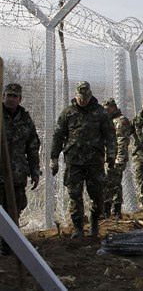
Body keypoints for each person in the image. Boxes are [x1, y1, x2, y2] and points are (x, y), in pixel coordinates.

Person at [50, 81, 115, 238]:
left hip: (95, 161)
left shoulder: (100, 113)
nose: (82, 100)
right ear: (76, 96)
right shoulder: (68, 112)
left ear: (90, 96)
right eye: (80, 97)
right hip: (74, 162)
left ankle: (93, 222)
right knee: (74, 195)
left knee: (98, 194)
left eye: (85, 97)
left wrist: (111, 154)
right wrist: (54, 158)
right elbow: (58, 136)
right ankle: (78, 227)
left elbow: (110, 135)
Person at [1, 83, 41, 254]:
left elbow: (32, 147)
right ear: (3, 96)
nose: (11, 99)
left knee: (16, 207)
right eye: (8, 95)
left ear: (20, 99)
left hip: (17, 173)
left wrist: (35, 171)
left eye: (14, 96)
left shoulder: (25, 119)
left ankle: (8, 245)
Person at [102, 98, 131, 219]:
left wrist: (119, 158)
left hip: (117, 157)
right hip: (108, 156)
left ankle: (115, 209)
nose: (106, 111)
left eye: (108, 109)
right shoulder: (109, 120)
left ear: (114, 107)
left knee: (114, 182)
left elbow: (122, 141)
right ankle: (108, 209)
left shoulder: (120, 121)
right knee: (109, 183)